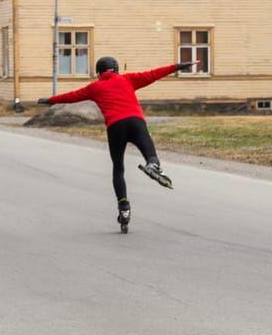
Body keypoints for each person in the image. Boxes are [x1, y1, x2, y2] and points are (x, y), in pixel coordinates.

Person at [38, 57, 194, 222]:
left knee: (118, 168)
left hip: (115, 127)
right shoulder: (128, 79)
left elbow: (73, 96)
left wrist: (51, 100)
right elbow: (154, 74)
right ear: (116, 69)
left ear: (99, 72)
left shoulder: (94, 87)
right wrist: (177, 66)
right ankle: (152, 164)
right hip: (136, 122)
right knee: (149, 151)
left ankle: (124, 207)